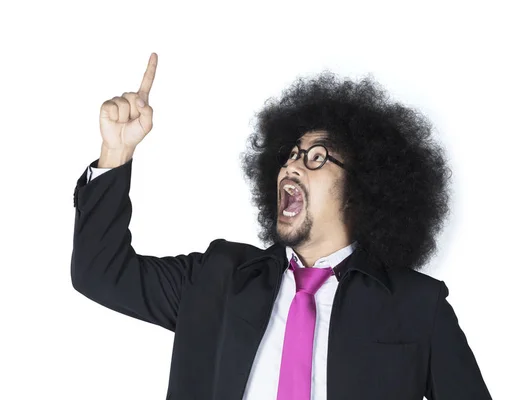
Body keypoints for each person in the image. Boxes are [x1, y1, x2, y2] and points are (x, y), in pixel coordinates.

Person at [71, 52, 492, 400]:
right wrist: (115, 153)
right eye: (290, 154)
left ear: (361, 188)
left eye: (316, 157)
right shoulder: (217, 277)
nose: (292, 163)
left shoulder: (418, 305)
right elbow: (99, 272)